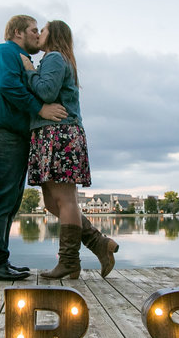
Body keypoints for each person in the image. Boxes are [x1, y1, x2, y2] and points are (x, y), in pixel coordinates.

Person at [0, 15, 67, 281]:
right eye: (34, 30)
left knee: (10, 202)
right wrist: (40, 109)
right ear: (17, 33)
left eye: (40, 31)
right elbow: (7, 86)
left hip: (10, 136)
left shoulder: (19, 57)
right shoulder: (4, 52)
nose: (38, 35)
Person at [22, 20, 119, 279]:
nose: (39, 33)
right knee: (53, 203)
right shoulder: (59, 58)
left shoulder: (54, 57)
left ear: (53, 35)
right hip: (55, 133)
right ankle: (98, 243)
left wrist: (30, 70)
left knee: (65, 201)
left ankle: (69, 262)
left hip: (59, 133)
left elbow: (46, 91)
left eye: (42, 30)